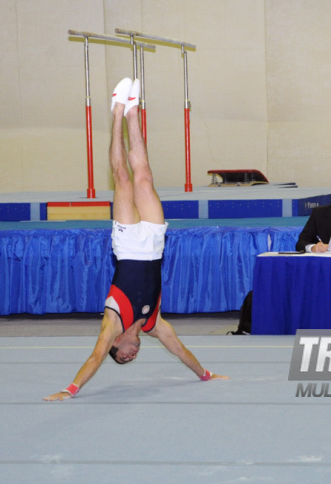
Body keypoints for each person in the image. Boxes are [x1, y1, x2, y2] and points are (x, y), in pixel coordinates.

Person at [44, 78, 227, 401]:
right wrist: (206, 374)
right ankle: (133, 111)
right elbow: (180, 351)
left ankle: (117, 111)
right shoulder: (153, 324)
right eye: (133, 358)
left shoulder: (111, 324)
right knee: (145, 175)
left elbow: (95, 357)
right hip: (154, 247)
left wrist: (68, 390)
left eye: (126, 356)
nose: (133, 354)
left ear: (118, 344)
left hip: (129, 247)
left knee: (122, 177)